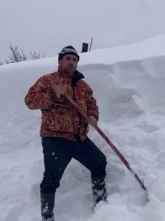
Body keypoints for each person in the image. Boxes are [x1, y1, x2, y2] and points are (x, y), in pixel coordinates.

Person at [24, 46, 107, 221]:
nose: (71, 62)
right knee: (52, 178)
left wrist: (93, 116)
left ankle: (101, 204)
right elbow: (30, 101)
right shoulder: (48, 80)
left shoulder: (82, 86)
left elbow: (92, 103)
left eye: (74, 59)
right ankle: (47, 215)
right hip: (56, 138)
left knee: (99, 162)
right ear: (60, 61)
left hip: (80, 137)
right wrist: (54, 94)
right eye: (68, 58)